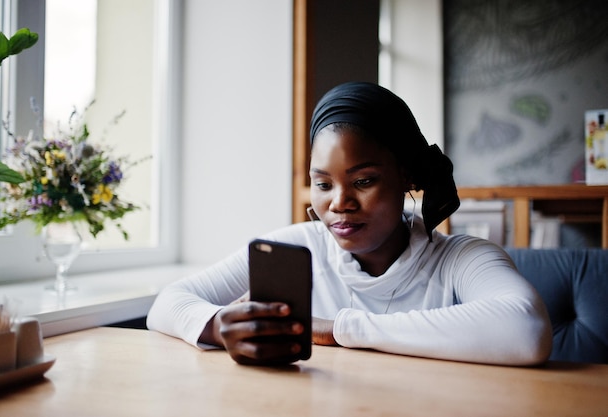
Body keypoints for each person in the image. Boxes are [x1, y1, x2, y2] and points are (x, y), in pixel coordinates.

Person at [147, 81, 552, 366]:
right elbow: (167, 304)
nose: (339, 203)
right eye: (323, 183)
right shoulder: (297, 247)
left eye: (363, 181)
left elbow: (526, 330)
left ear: (407, 177)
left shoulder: (460, 259)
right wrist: (220, 327)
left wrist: (337, 329)